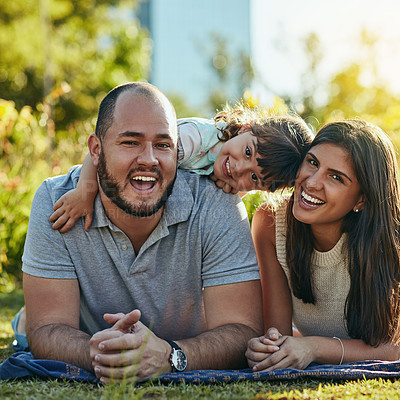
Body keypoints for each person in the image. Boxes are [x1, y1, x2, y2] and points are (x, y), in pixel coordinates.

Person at [21, 81, 263, 383]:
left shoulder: (216, 204)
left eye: (163, 145)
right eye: (130, 142)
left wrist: (169, 355)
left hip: (177, 346)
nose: (149, 159)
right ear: (96, 150)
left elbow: (242, 330)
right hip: (79, 333)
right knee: (26, 324)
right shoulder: (57, 200)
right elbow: (46, 328)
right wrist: (101, 354)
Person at [246, 119, 400, 371]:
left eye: (336, 178)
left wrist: (313, 347)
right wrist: (268, 348)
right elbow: (276, 334)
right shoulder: (271, 222)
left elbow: (394, 347)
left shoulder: (392, 240)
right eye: (313, 162)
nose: (312, 182)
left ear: (361, 199)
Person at [48, 105, 312, 233]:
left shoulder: (234, 176)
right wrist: (84, 192)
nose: (239, 168)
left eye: (254, 178)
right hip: (114, 176)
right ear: (246, 127)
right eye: (247, 152)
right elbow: (104, 153)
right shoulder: (192, 139)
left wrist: (230, 190)